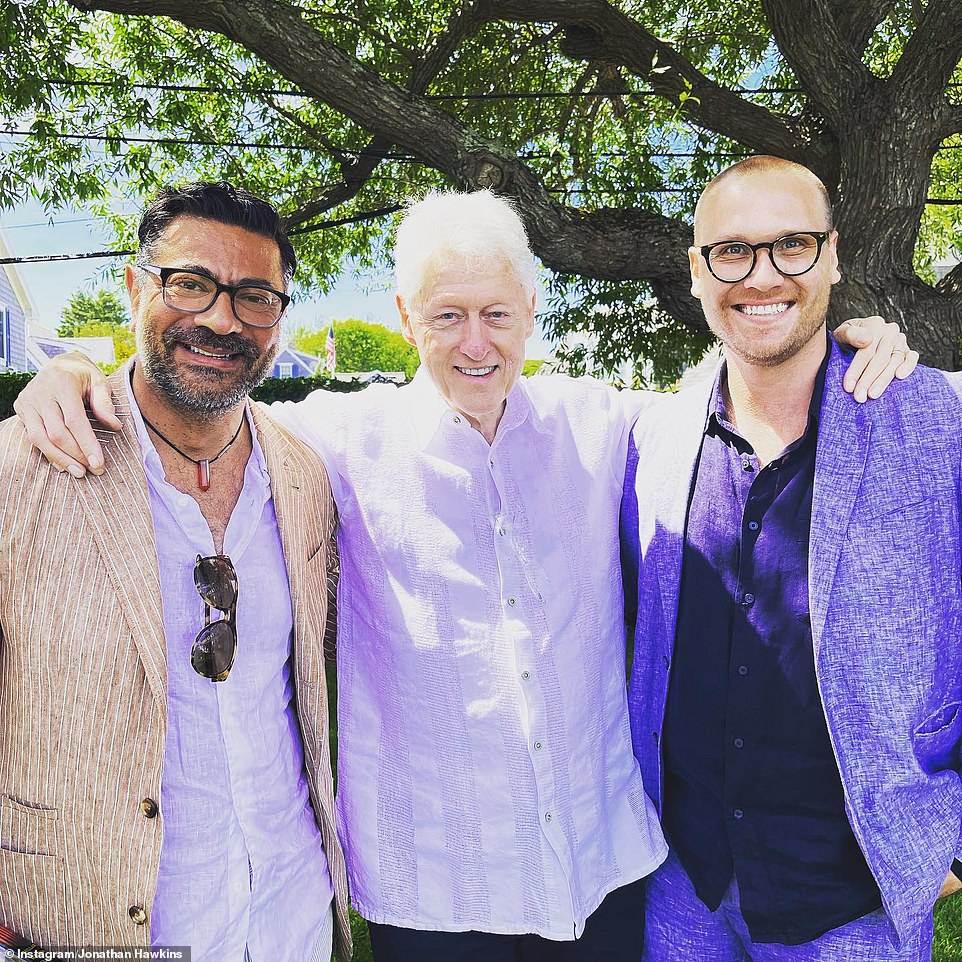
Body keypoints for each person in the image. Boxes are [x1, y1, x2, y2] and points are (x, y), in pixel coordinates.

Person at [12, 188, 914, 962]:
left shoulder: (606, 425)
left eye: (496, 313)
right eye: (446, 316)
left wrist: (849, 340)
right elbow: (198, 405)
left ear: (532, 311)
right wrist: (70, 374)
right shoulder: (330, 442)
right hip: (431, 882)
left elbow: (753, 388)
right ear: (406, 318)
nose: (474, 342)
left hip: (599, 862)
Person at [621, 155, 962, 962]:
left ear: (834, 256)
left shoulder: (937, 423)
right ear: (698, 273)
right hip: (685, 890)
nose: (763, 275)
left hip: (853, 906)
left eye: (793, 245)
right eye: (732, 251)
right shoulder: (652, 440)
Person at [0, 182, 350, 962]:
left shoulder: (304, 473)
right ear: (135, 287)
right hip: (91, 932)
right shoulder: (19, 473)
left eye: (255, 296)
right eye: (190, 283)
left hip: (291, 919)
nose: (222, 319)